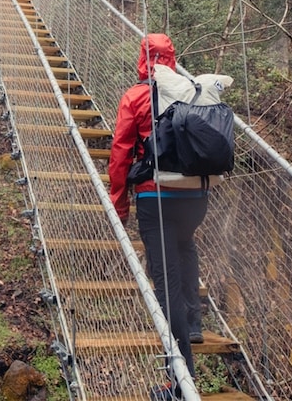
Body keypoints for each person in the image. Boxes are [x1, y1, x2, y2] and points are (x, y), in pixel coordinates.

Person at [108, 33, 207, 393]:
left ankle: (182, 382)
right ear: (172, 57)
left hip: (155, 197)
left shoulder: (137, 96)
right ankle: (194, 321)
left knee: (165, 284)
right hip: (196, 196)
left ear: (142, 58)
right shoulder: (192, 90)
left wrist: (120, 204)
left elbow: (120, 153)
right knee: (186, 244)